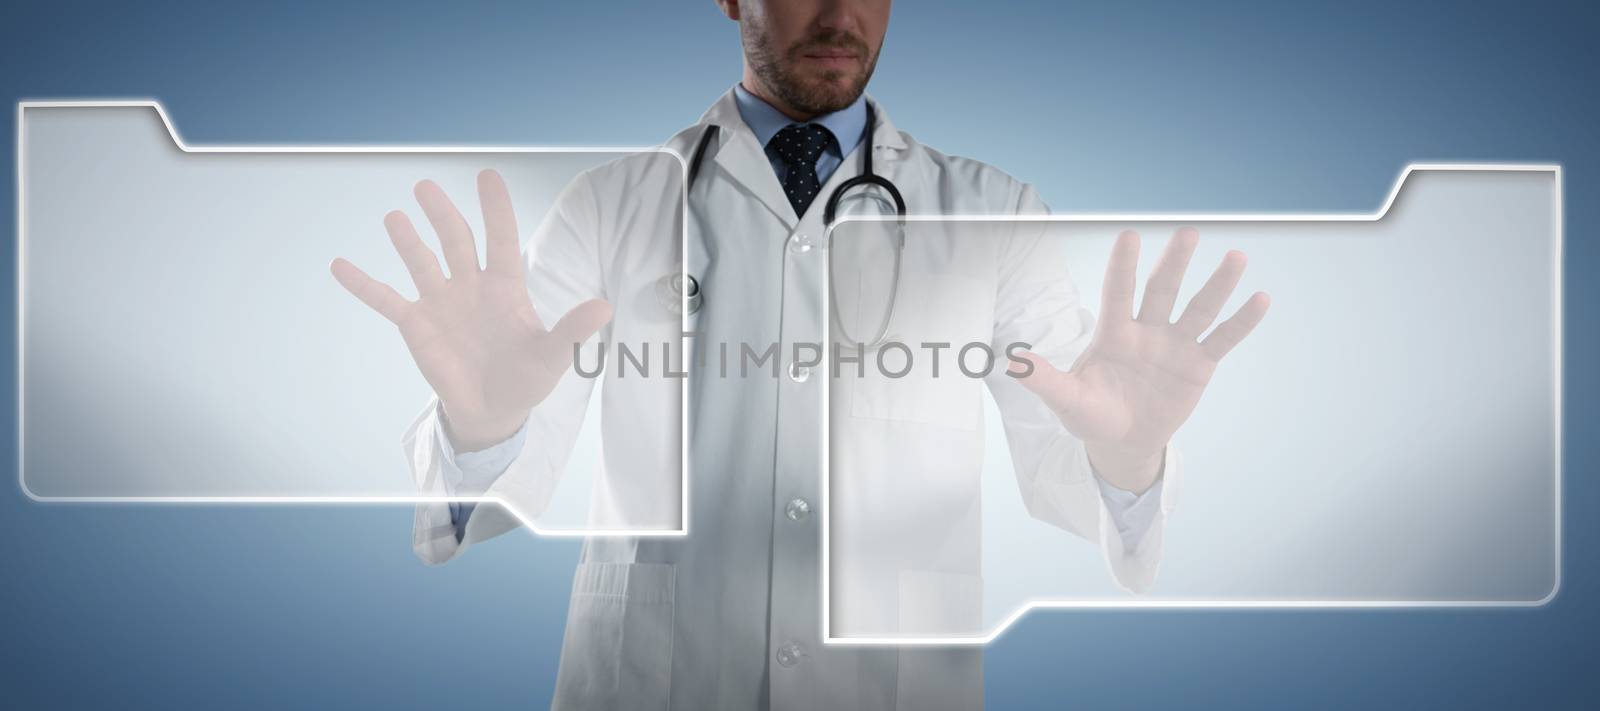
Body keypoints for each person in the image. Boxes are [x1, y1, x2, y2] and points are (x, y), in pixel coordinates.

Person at [330, 1, 1269, 708]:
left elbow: (1074, 477)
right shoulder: (612, 204)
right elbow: (486, 503)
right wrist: (483, 425)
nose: (840, 13)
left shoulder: (995, 214)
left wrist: (1129, 453)